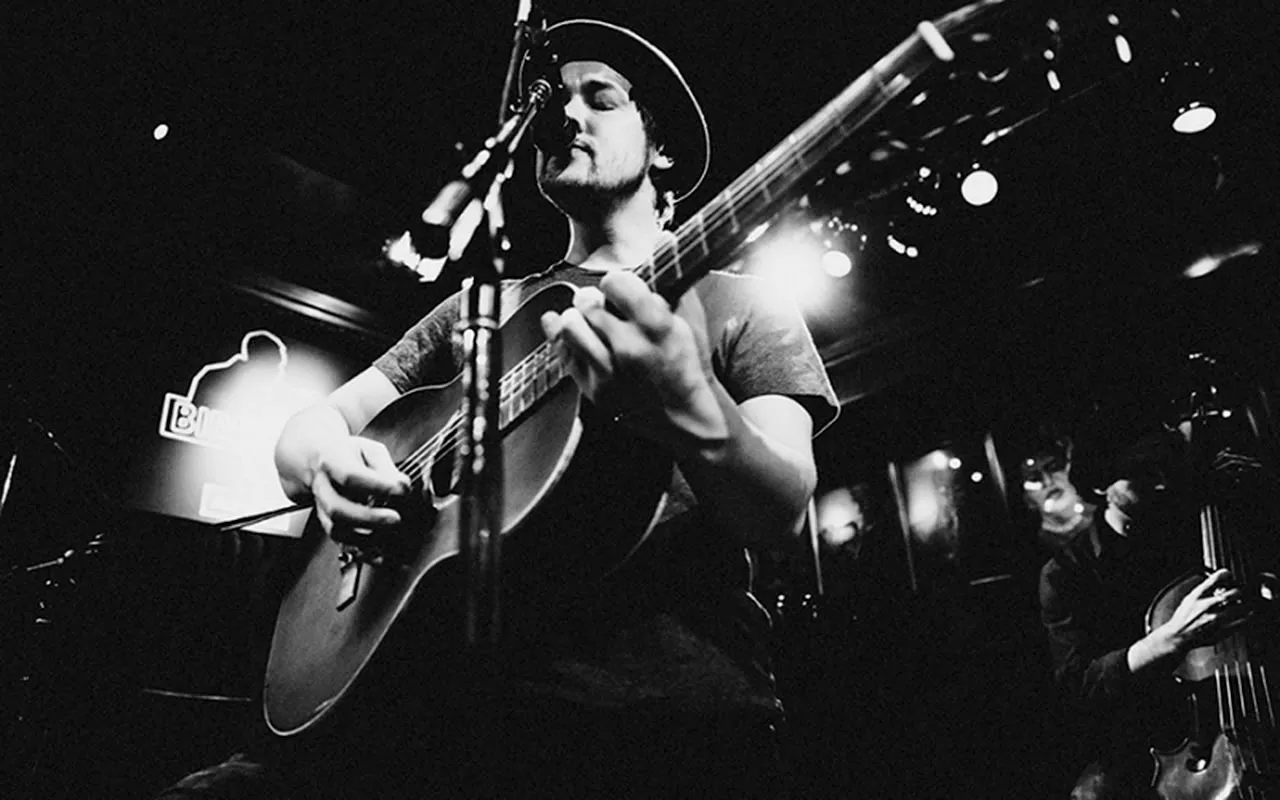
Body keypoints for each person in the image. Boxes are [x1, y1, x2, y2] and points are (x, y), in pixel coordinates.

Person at [154, 18, 837, 800]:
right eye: (553, 102)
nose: (565, 116)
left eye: (599, 99)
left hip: (667, 725)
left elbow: (779, 508)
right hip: (446, 721)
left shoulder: (741, 302)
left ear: (662, 149)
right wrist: (326, 466)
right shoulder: (480, 309)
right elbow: (307, 433)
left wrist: (687, 402)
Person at [1038, 424, 1262, 799]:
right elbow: (1079, 685)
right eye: (1142, 475)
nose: (1161, 485)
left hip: (1249, 714)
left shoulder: (1197, 531)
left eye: (1162, 470)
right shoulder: (1065, 574)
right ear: (1100, 487)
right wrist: (1170, 640)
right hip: (1152, 740)